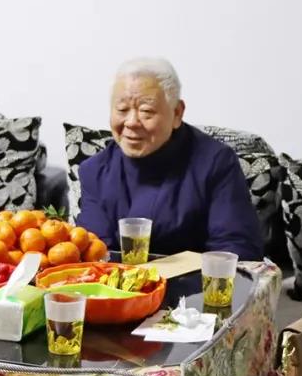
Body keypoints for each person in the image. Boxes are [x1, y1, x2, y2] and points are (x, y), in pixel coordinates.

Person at [75, 57, 264, 260]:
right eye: (121, 109)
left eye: (146, 111)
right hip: (116, 280)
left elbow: (237, 249)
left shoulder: (215, 162)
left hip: (194, 279)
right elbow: (94, 252)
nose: (131, 122)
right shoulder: (94, 171)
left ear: (177, 113)